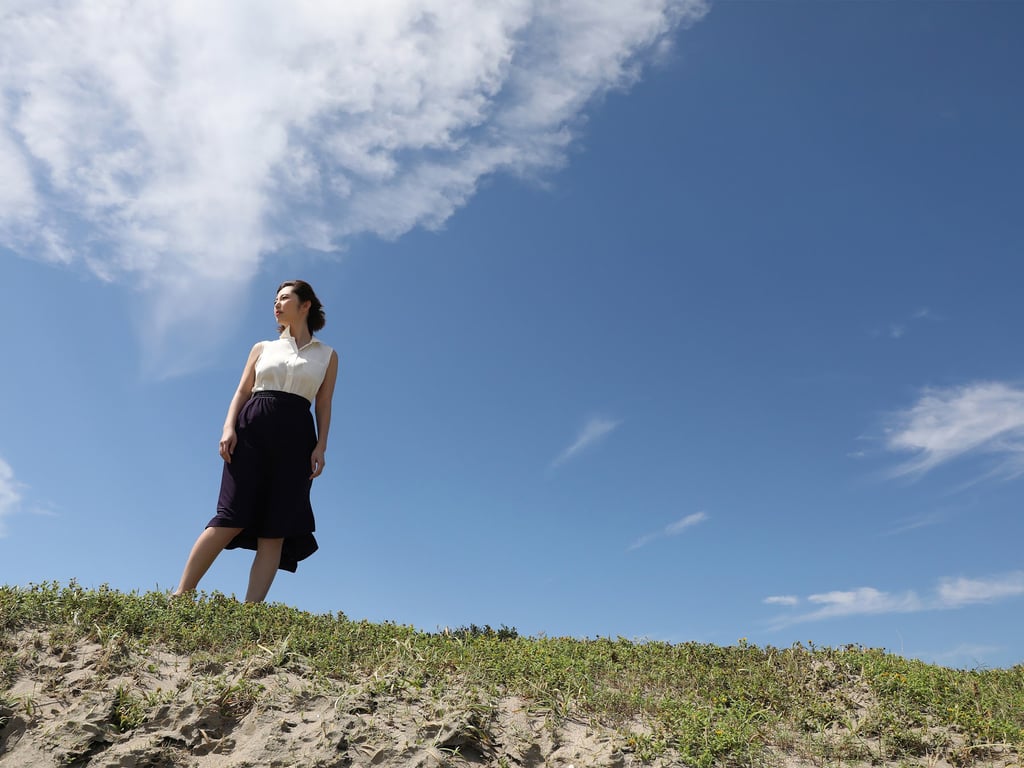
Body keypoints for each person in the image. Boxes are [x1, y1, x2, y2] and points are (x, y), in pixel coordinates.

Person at [173, 280, 339, 602]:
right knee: (230, 516)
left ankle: (250, 613)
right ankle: (181, 595)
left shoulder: (328, 356)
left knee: (275, 528)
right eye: (275, 299)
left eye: (284, 298)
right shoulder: (263, 347)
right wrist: (227, 428)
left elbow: (324, 403)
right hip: (252, 429)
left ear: (306, 305)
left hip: (297, 439)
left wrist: (321, 445)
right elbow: (242, 391)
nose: (276, 304)